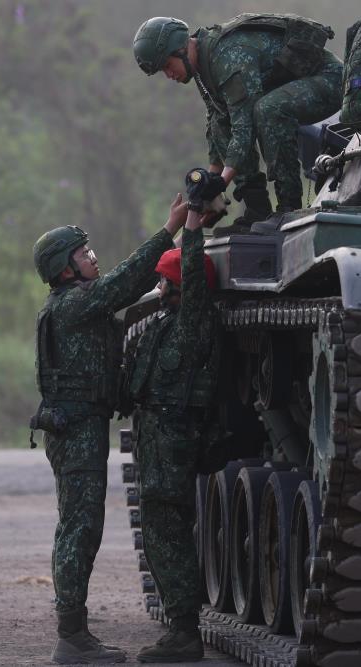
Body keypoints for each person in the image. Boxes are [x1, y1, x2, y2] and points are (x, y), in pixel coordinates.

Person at [31, 193, 189, 664]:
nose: (91, 258)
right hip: (75, 427)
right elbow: (121, 285)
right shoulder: (72, 305)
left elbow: (123, 296)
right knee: (80, 527)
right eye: (83, 254)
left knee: (80, 525)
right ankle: (72, 638)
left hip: (81, 424)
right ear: (64, 269)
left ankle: (74, 632)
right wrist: (170, 231)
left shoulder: (78, 304)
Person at [132, 14, 343, 236]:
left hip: (329, 80)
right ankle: (257, 210)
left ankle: (288, 207)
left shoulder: (228, 57)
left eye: (167, 65)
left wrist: (221, 183)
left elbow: (245, 127)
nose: (169, 75)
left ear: (182, 49)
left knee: (268, 109)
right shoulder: (203, 65)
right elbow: (218, 121)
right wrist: (210, 185)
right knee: (221, 121)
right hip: (295, 89)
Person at [125, 182, 221, 663]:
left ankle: (185, 632)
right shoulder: (162, 324)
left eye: (166, 282)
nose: (159, 288)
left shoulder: (193, 321)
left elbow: (195, 280)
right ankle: (178, 626)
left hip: (173, 444)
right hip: (155, 443)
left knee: (169, 535)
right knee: (160, 534)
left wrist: (192, 231)